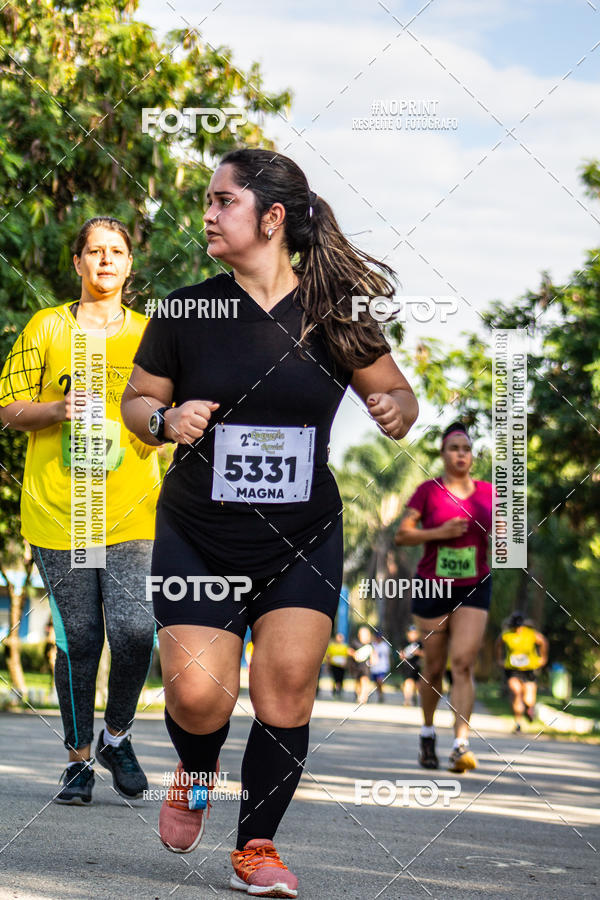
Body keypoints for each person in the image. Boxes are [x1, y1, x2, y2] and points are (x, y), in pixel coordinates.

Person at [121, 147, 418, 897]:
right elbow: (134, 403)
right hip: (199, 534)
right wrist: (164, 416)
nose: (209, 214)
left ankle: (257, 846)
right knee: (196, 697)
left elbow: (401, 398)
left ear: (272, 216)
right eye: (209, 202)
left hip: (302, 537)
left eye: (224, 201)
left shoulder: (337, 310)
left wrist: (394, 409)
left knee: (286, 688)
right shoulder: (188, 308)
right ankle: (195, 768)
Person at [0, 217, 160, 805]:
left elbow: (169, 411)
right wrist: (56, 411)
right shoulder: (47, 327)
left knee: (135, 627)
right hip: (59, 510)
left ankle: (116, 736)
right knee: (82, 637)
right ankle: (77, 760)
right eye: (94, 251)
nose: (106, 260)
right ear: (77, 263)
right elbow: (5, 407)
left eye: (116, 251)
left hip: (130, 509)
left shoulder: (150, 333)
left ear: (129, 265)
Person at [395, 421, 493, 773]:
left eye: (466, 448)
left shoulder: (489, 493)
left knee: (463, 662)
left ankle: (460, 744)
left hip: (474, 583)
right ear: (443, 454)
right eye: (454, 448)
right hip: (432, 585)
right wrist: (439, 532)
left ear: (472, 455)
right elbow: (402, 535)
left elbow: (509, 539)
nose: (460, 454)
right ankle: (427, 733)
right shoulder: (428, 491)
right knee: (433, 667)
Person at [496, 611, 548, 732]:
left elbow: (544, 642)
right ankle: (518, 723)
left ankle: (529, 710)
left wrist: (543, 659)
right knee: (516, 693)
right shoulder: (506, 635)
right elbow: (497, 645)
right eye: (515, 626)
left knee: (528, 700)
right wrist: (499, 660)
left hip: (528, 670)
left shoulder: (531, 634)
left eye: (519, 626)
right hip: (513, 670)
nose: (518, 629)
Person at [350, 625, 374, 704]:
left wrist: (373, 660)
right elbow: (349, 650)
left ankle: (363, 697)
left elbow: (373, 654)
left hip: (365, 666)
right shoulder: (355, 642)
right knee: (358, 682)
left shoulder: (370, 645)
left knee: (365, 680)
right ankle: (358, 694)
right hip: (356, 665)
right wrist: (354, 654)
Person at [400, 625, 423, 706]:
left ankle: (415, 697)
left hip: (417, 666)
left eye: (414, 633)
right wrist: (404, 655)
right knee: (408, 682)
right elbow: (401, 654)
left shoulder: (420, 643)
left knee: (418, 684)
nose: (412, 635)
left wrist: (418, 652)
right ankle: (407, 700)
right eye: (411, 633)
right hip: (407, 666)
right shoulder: (404, 642)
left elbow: (425, 655)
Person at [325, 632, 349, 697]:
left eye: (341, 638)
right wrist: (328, 664)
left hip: (342, 666)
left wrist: (345, 663)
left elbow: (347, 655)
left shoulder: (345, 646)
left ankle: (339, 690)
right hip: (334, 665)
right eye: (338, 637)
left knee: (340, 679)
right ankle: (334, 690)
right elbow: (328, 656)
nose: (339, 639)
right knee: (335, 678)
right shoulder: (332, 646)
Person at [370, 631, 391, 702]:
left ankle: (381, 694)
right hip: (374, 667)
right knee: (376, 683)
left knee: (380, 681)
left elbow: (388, 656)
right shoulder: (372, 645)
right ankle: (380, 694)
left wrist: (388, 665)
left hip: (382, 667)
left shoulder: (385, 646)